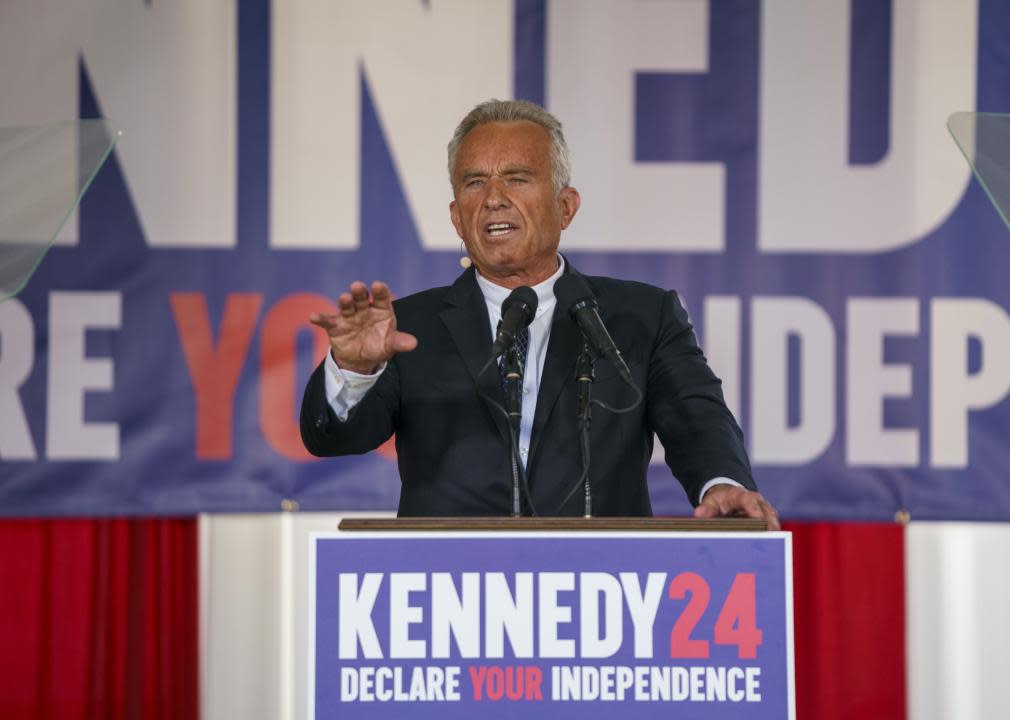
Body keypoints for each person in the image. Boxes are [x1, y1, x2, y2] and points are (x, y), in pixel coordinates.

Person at [300, 99, 779, 529]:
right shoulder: (408, 328)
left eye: (516, 178)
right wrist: (356, 370)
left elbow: (696, 416)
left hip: (599, 589)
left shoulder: (642, 316)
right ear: (455, 216)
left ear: (565, 207)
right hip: (450, 597)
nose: (493, 198)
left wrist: (721, 484)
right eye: (474, 183)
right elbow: (333, 439)